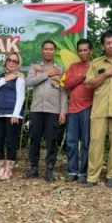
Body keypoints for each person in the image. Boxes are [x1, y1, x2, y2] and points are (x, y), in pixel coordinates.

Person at [84, 30, 112, 188]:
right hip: (99, 109)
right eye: (107, 43)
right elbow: (89, 84)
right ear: (103, 45)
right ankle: (92, 177)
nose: (111, 46)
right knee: (96, 143)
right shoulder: (96, 63)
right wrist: (107, 74)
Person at [25, 40, 68, 181]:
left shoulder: (60, 69)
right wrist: (47, 74)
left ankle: (49, 169)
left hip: (53, 111)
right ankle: (34, 169)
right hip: (36, 109)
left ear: (54, 52)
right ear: (41, 50)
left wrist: (63, 111)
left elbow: (62, 91)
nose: (48, 51)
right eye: (46, 49)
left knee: (52, 141)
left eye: (51, 49)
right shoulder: (34, 66)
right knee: (34, 139)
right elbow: (29, 82)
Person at [0, 51, 26, 180]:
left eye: (15, 61)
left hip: (13, 115)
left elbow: (21, 96)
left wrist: (15, 114)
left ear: (18, 64)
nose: (11, 63)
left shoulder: (20, 78)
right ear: (6, 62)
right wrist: (5, 79)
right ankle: (0, 170)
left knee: (10, 143)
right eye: (10, 60)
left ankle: (8, 171)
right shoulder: (0, 77)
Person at [64, 39, 94, 183]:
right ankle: (72, 170)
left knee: (87, 142)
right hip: (73, 109)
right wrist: (81, 77)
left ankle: (83, 172)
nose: (82, 52)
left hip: (88, 107)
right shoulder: (73, 66)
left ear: (90, 51)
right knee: (71, 142)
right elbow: (67, 84)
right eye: (80, 50)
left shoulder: (95, 66)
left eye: (85, 50)